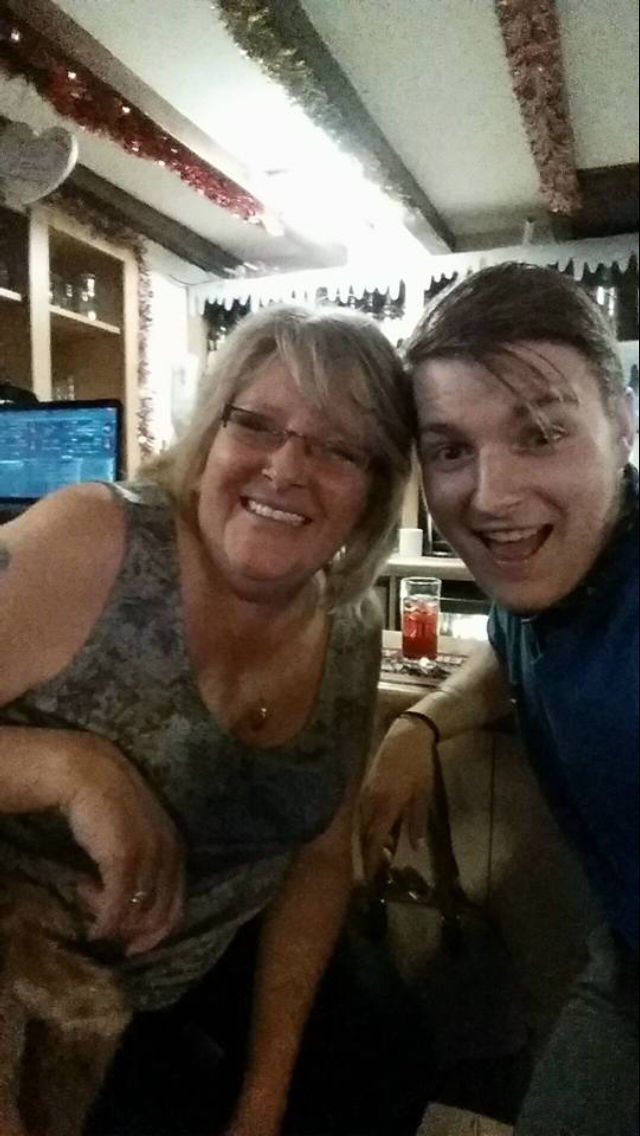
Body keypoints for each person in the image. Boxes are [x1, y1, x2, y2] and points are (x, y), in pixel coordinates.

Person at [0, 303, 414, 1136]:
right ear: (208, 436)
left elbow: (320, 856)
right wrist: (68, 768)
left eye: (338, 448)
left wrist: (263, 1099)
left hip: (197, 980)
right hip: (30, 981)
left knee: (385, 1045)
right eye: (255, 423)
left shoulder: (353, 627)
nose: (286, 468)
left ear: (376, 491)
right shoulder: (95, 539)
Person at [360, 263, 638, 1136]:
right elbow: (506, 650)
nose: (491, 496)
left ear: (623, 424)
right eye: (451, 450)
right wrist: (421, 723)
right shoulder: (550, 579)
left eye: (542, 434)